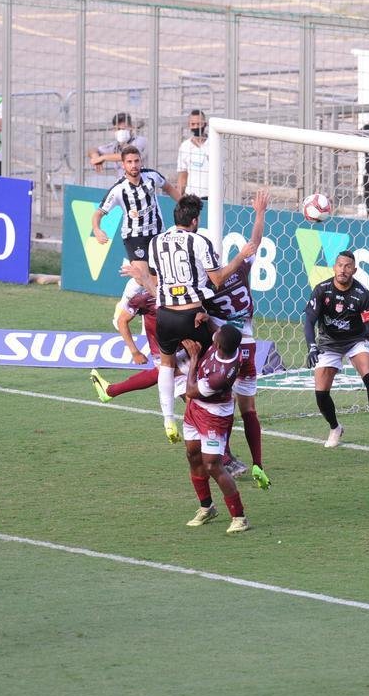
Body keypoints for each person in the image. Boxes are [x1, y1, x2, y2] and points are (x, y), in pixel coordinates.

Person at [148, 195, 257, 444]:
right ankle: (212, 422)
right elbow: (217, 280)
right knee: (215, 363)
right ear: (195, 220)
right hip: (192, 316)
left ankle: (168, 418)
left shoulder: (156, 242)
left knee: (166, 364)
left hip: (164, 314)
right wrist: (240, 257)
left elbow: (155, 281)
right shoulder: (199, 241)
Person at [203, 189, 268, 480]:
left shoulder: (206, 285)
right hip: (250, 347)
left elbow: (193, 309)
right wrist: (260, 213)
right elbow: (255, 242)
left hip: (227, 350)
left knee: (223, 403)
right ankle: (258, 463)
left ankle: (226, 456)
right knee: (249, 408)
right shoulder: (240, 266)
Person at [180, 327, 269, 535]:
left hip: (214, 417)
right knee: (193, 455)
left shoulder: (222, 374)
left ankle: (239, 517)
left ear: (218, 345)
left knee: (212, 464)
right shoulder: (228, 347)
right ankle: (206, 507)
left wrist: (193, 359)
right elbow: (215, 331)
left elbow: (191, 391)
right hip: (195, 411)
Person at [304, 250, 369, 447]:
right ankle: (335, 427)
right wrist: (312, 347)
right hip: (329, 342)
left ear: (354, 270)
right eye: (340, 265)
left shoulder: (362, 294)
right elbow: (309, 320)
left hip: (355, 340)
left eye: (347, 266)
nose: (343, 270)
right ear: (334, 267)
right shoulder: (322, 290)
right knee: (321, 393)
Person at [91, 145, 182, 281]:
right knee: (142, 278)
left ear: (141, 162)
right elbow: (98, 213)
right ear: (123, 165)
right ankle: (126, 301)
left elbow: (169, 188)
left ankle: (138, 300)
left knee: (158, 279)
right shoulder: (118, 189)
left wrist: (185, 204)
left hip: (157, 233)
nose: (133, 165)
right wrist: (97, 230)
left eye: (136, 161)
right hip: (134, 237)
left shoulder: (152, 176)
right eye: (129, 162)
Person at [89, 282, 161, 403]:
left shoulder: (183, 290)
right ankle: (110, 391)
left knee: (177, 378)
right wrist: (135, 352)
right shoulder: (144, 297)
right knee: (169, 373)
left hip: (185, 341)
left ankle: (110, 391)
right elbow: (121, 321)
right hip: (167, 346)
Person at [88, 112, 148, 180]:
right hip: (122, 186)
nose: (121, 131)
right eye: (118, 129)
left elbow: (128, 155)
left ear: (131, 128)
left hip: (141, 183)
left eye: (124, 129)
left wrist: (103, 158)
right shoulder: (115, 146)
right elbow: (92, 150)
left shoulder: (140, 141)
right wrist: (96, 158)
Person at [176, 109, 210, 201]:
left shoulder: (214, 144)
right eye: (193, 124)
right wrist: (179, 198)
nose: (196, 127)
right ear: (189, 125)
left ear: (205, 124)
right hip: (191, 197)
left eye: (199, 124)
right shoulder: (185, 146)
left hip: (211, 196)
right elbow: (182, 176)